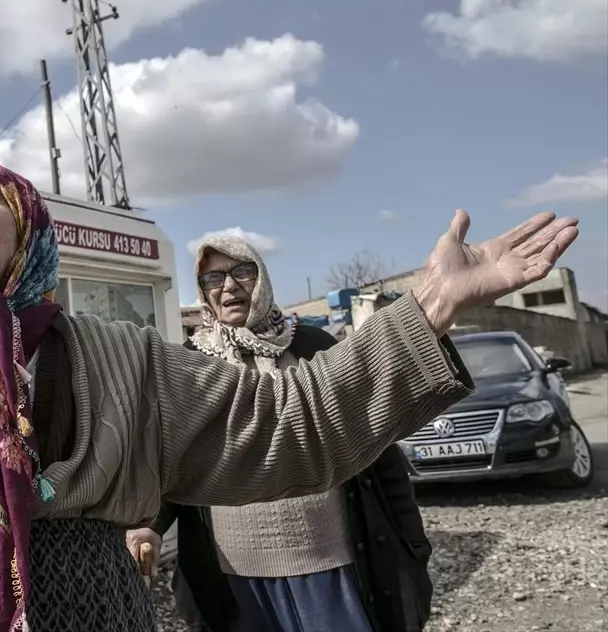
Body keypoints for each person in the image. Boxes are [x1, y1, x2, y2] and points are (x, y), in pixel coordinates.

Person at [0, 0, 578, 632]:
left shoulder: (125, 360)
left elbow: (295, 422)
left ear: (28, 228)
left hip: (90, 608)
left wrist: (429, 305)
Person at [126, 236, 432, 632]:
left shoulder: (313, 347)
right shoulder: (189, 366)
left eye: (242, 272)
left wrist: (413, 543)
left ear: (262, 278)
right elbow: (174, 466)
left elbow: (378, 448)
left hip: (332, 568)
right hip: (235, 583)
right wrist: (150, 524)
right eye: (214, 278)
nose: (230, 286)